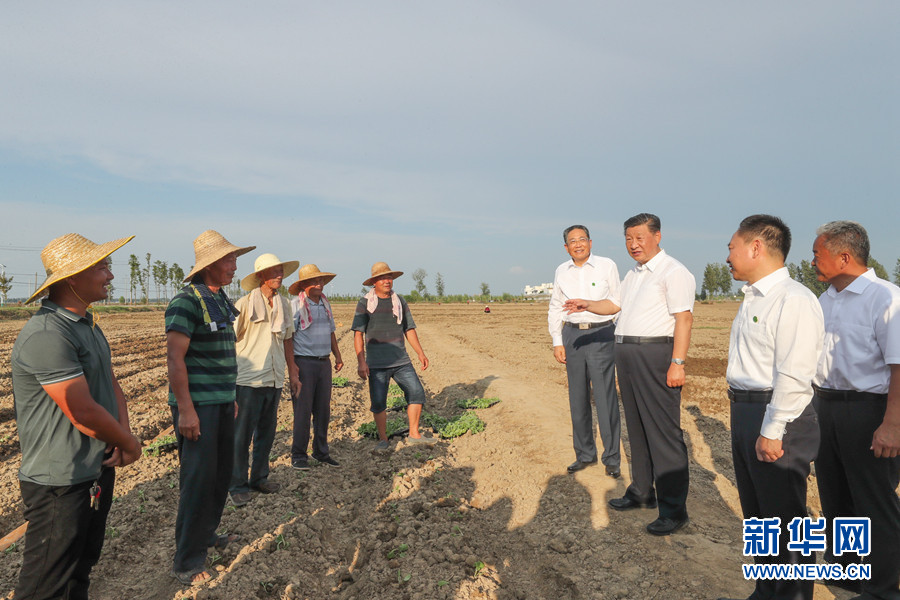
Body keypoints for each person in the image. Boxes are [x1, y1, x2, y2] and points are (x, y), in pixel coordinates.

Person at [11, 233, 142, 600]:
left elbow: (110, 381)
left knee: (80, 570)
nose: (110, 276)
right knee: (45, 586)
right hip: (60, 480)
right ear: (72, 278)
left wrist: (122, 434)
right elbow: (82, 411)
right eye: (102, 267)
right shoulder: (47, 334)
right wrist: (130, 443)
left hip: (94, 468)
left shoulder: (87, 325)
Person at [566, 213, 694, 535]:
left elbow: (684, 319)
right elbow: (614, 306)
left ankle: (674, 509)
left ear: (657, 236)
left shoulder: (674, 271)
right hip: (626, 354)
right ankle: (641, 491)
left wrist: (678, 362)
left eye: (640, 238)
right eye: (628, 239)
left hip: (655, 354)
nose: (633, 244)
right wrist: (587, 304)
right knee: (636, 428)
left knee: (662, 433)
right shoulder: (634, 274)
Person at [718, 214, 824, 600]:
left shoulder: (793, 300)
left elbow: (794, 373)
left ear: (756, 247)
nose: (727, 256)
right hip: (746, 411)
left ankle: (792, 595)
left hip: (778, 415)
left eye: (732, 247)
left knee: (786, 519)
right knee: (759, 516)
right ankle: (766, 592)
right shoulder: (754, 297)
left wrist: (772, 429)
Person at [811, 221, 900, 600]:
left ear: (844, 257)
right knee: (835, 496)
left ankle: (883, 589)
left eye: (817, 254)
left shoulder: (886, 299)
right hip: (826, 406)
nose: (812, 262)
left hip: (869, 410)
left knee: (874, 501)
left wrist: (892, 425)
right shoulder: (825, 300)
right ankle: (847, 571)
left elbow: (898, 367)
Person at [165, 230, 255, 586]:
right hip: (198, 407)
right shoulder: (185, 302)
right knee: (198, 481)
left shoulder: (218, 299)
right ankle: (187, 561)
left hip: (220, 402)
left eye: (234, 259)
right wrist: (186, 410)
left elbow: (221, 356)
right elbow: (175, 358)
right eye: (229, 260)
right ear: (209, 265)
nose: (234, 266)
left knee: (219, 476)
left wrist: (229, 396)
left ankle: (206, 536)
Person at [548, 224, 621, 477]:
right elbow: (556, 306)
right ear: (566, 247)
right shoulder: (561, 271)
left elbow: (618, 302)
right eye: (572, 241)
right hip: (572, 335)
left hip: (601, 334)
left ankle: (611, 458)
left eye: (582, 239)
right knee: (577, 398)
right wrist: (557, 340)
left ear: (590, 242)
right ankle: (584, 454)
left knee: (605, 398)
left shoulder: (607, 266)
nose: (578, 244)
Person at [228, 253, 299, 506]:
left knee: (266, 434)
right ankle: (237, 485)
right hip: (249, 379)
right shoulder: (245, 304)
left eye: (281, 271)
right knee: (241, 436)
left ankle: (259, 478)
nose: (279, 275)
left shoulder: (285, 304)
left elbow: (288, 339)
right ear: (261, 276)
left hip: (274, 377)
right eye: (274, 271)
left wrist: (293, 372)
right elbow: (231, 339)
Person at [352, 262, 431, 450]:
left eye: (389, 277)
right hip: (376, 364)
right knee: (379, 402)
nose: (387, 281)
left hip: (401, 361)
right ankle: (383, 439)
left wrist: (420, 353)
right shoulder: (365, 303)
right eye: (382, 278)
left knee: (417, 392)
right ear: (374, 282)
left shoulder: (399, 301)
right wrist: (361, 362)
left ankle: (414, 434)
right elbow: (358, 334)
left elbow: (409, 329)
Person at [288, 264, 344, 470]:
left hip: (323, 363)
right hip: (304, 363)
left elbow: (331, 332)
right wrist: (292, 366)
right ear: (304, 285)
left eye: (321, 281)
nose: (320, 284)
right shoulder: (296, 305)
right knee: (302, 411)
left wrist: (337, 355)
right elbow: (289, 337)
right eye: (314, 281)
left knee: (323, 410)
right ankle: (298, 455)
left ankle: (321, 452)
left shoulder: (325, 305)